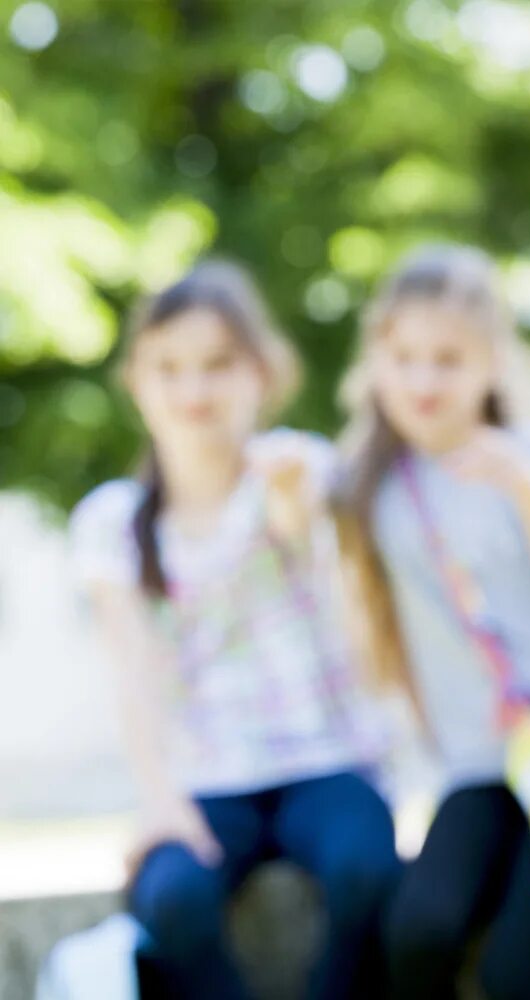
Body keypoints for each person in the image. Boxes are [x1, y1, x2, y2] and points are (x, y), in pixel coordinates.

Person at [69, 260, 397, 1000]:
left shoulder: (298, 469)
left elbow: (301, 530)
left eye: (218, 366)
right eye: (170, 369)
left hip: (327, 763)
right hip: (207, 777)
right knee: (172, 898)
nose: (194, 390)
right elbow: (132, 674)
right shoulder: (112, 523)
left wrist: (291, 503)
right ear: (137, 383)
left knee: (367, 870)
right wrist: (159, 801)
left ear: (261, 373)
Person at [332, 243, 530, 1000]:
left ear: (492, 362)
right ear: (376, 362)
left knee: (517, 970)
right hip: (477, 760)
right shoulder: (372, 485)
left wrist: (520, 483)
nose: (423, 379)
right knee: (419, 930)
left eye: (448, 359)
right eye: (404, 358)